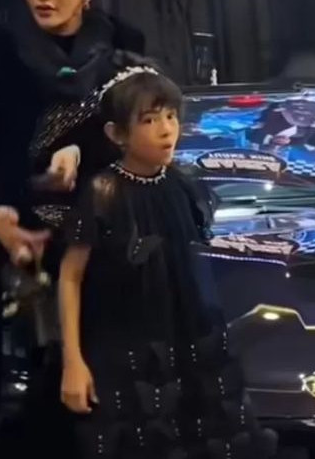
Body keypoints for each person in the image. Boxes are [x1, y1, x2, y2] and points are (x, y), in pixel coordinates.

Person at [0, 0, 145, 453]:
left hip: (108, 239)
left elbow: (134, 133)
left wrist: (80, 152)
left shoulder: (124, 46)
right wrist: (1, 213)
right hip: (28, 241)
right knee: (43, 395)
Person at [57, 66, 279, 459]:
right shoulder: (103, 192)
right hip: (127, 349)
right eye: (149, 120)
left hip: (191, 342)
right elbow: (71, 277)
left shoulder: (182, 184)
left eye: (171, 116)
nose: (166, 130)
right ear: (117, 134)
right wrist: (72, 360)